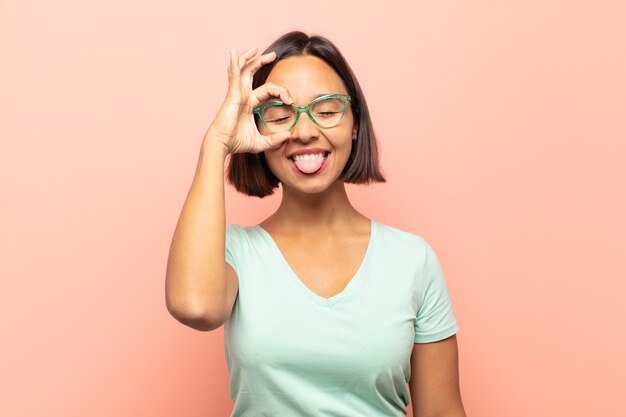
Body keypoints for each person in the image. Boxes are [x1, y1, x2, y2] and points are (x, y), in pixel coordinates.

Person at [165, 31, 466, 417]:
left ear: (355, 123)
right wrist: (217, 142)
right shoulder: (233, 253)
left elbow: (442, 410)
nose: (305, 131)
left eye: (326, 111)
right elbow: (195, 307)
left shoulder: (413, 260)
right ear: (257, 129)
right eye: (280, 115)